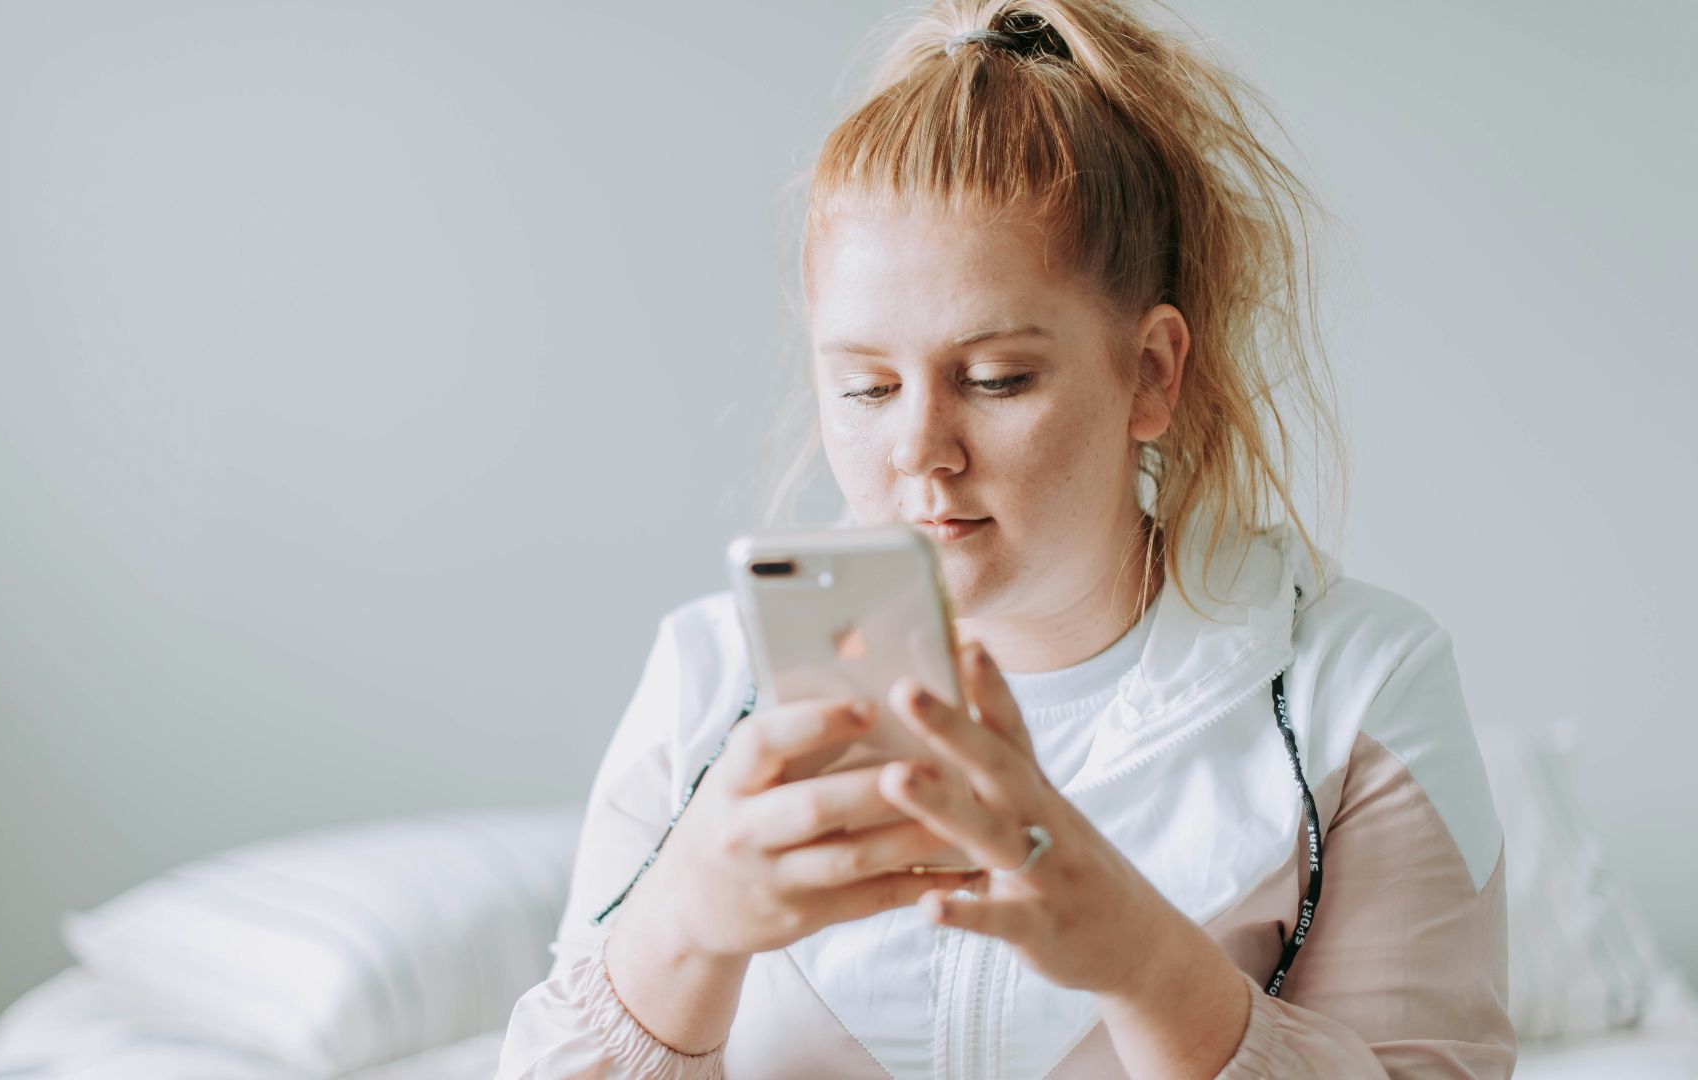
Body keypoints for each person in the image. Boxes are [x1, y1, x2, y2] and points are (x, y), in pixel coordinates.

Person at [498, 1, 1514, 1076]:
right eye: (866, 386)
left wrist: (1144, 960)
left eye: (996, 379)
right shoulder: (709, 681)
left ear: (1153, 373)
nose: (920, 449)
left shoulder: (1356, 695)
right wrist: (685, 929)